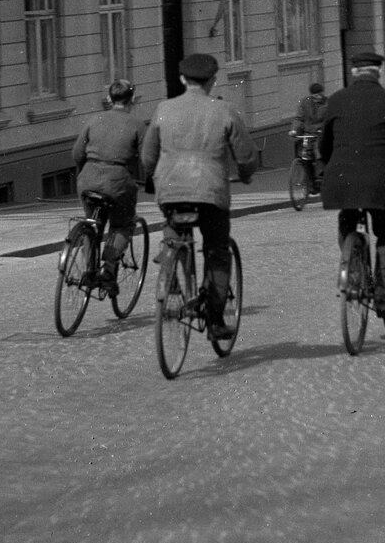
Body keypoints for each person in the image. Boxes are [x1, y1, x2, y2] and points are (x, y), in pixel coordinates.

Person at [139, 52, 257, 334]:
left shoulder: (163, 108)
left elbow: (147, 156)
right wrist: (245, 175)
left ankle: (171, 260)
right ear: (213, 81)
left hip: (171, 191)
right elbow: (246, 155)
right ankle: (215, 319)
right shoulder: (224, 110)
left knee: (175, 231)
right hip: (210, 192)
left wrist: (154, 179)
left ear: (182, 79)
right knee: (217, 250)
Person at [318, 50, 385, 310]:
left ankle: (352, 265)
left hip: (342, 181)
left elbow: (324, 143)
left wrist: (328, 166)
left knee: (347, 221)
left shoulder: (336, 101)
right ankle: (382, 291)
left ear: (353, 73)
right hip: (381, 182)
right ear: (378, 72)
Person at [71, 79, 146, 292]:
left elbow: (77, 153)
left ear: (109, 99)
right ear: (132, 99)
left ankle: (88, 271)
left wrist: (87, 171)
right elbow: (148, 158)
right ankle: (109, 269)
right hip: (117, 182)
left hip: (88, 179)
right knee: (122, 224)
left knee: (92, 223)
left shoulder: (94, 120)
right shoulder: (138, 124)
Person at [291, 79, 328, 190]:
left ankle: (320, 175)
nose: (318, 97)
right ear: (312, 95)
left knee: (318, 150)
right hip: (308, 133)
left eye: (320, 94)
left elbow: (329, 119)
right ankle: (310, 181)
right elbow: (299, 118)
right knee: (304, 155)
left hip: (321, 133)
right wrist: (294, 130)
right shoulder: (305, 102)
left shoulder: (328, 103)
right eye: (315, 95)